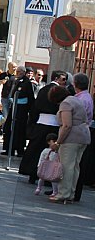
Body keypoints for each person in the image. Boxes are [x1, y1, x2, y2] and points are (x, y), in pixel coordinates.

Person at [19, 71, 67, 183]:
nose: (65, 82)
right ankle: (47, 175)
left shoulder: (43, 90)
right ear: (56, 78)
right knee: (50, 151)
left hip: (40, 123)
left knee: (36, 150)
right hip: (54, 124)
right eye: (63, 79)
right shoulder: (61, 92)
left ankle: (32, 173)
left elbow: (35, 107)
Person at [48, 85, 90, 203]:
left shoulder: (65, 103)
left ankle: (63, 194)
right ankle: (71, 193)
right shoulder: (76, 99)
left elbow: (67, 125)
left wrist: (58, 142)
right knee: (75, 167)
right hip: (83, 136)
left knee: (66, 167)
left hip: (71, 139)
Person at [2, 66, 34, 157]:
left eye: (19, 71)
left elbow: (29, 97)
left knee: (19, 130)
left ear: (23, 72)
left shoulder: (26, 82)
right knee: (9, 128)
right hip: (14, 107)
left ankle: (19, 149)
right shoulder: (16, 80)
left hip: (21, 110)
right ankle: (9, 149)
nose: (18, 73)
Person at [71, 73, 93, 202]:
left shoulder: (82, 99)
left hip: (78, 133)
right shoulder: (85, 97)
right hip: (82, 132)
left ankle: (72, 191)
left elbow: (77, 116)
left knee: (73, 164)